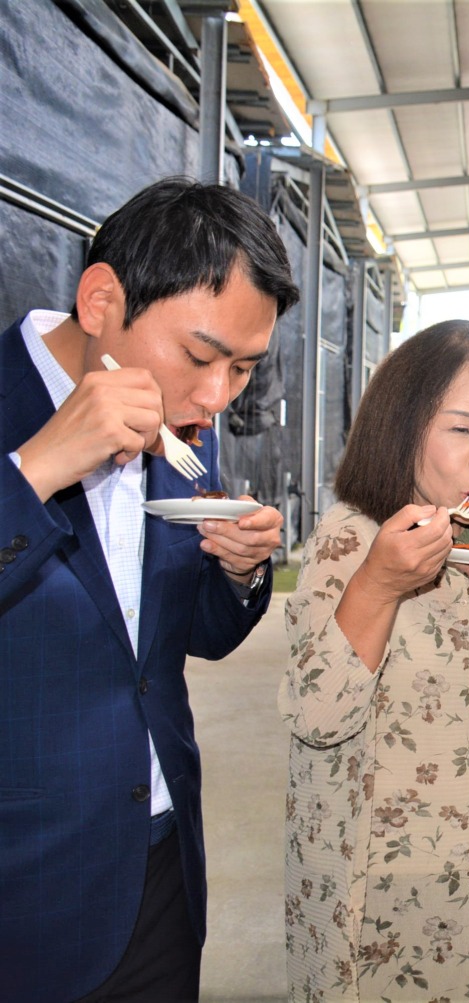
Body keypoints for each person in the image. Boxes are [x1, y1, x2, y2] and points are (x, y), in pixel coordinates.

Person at [0, 176, 298, 1001]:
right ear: (101, 300)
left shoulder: (185, 433)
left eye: (243, 368)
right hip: (23, 881)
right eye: (200, 357)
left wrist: (237, 569)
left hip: (160, 869)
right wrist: (36, 470)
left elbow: (185, 635)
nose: (215, 396)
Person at [280, 320, 469, 1001]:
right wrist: (381, 583)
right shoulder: (352, 537)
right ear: (403, 427)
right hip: (385, 877)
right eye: (461, 429)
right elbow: (317, 713)